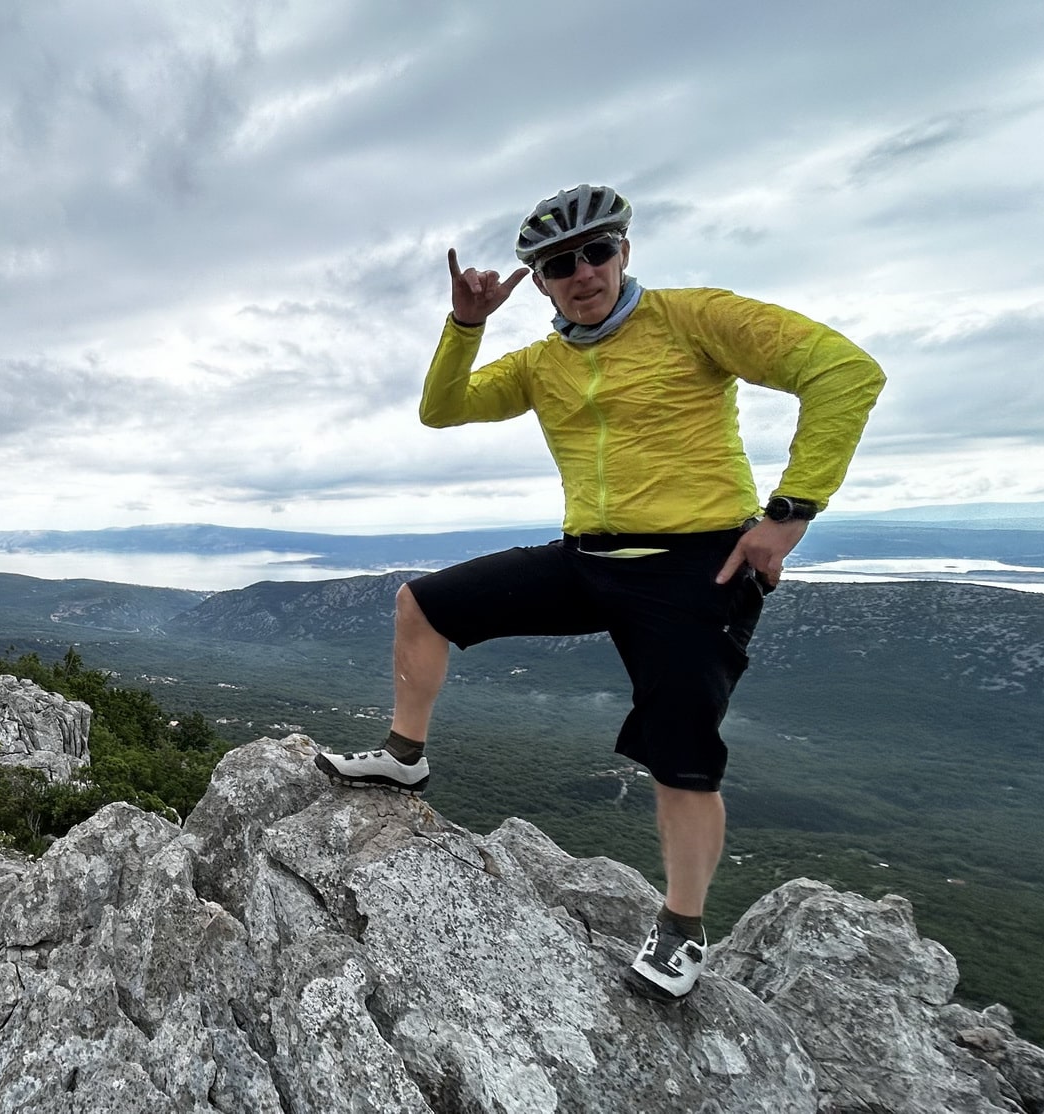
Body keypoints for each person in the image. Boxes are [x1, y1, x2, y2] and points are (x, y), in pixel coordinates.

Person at [313, 184, 885, 1001]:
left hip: (698, 566)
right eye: (559, 263)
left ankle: (683, 928)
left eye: (596, 251)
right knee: (423, 603)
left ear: (625, 250)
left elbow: (843, 371)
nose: (583, 272)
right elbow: (442, 411)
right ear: (540, 282)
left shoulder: (695, 317)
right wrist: (465, 325)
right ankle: (406, 759)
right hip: (589, 556)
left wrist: (789, 513)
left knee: (680, 757)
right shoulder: (545, 362)